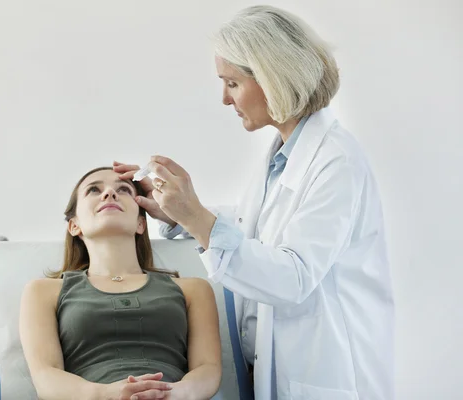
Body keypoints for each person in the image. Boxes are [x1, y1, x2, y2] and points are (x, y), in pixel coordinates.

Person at [114, 5, 395, 400]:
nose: (225, 100)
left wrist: (196, 218)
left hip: (328, 374)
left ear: (273, 79)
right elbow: (256, 224)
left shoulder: (336, 161)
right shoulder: (283, 155)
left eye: (231, 83)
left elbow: (292, 276)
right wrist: (173, 209)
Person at [19, 167, 222, 400]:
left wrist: (172, 394)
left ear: (140, 224)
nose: (109, 194)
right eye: (94, 189)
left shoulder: (193, 290)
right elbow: (46, 377)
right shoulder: (43, 292)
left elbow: (208, 369)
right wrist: (106, 394)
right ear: (74, 225)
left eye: (123, 189)